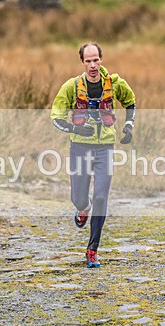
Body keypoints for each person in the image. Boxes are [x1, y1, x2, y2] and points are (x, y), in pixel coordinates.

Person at [50, 42, 136, 268]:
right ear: (82, 62)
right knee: (78, 198)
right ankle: (82, 206)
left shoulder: (115, 83)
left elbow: (130, 102)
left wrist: (128, 126)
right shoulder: (71, 86)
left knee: (101, 198)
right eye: (88, 61)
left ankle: (92, 250)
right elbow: (56, 117)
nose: (92, 65)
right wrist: (74, 128)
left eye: (96, 60)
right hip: (79, 147)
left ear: (101, 59)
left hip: (105, 148)